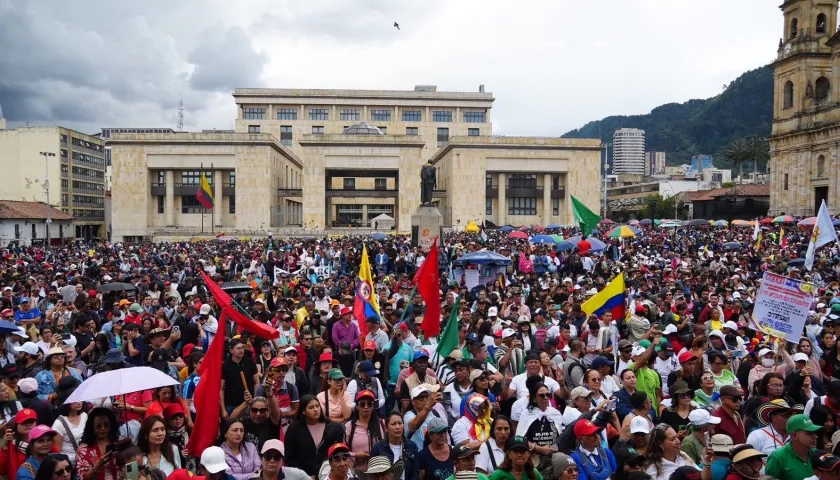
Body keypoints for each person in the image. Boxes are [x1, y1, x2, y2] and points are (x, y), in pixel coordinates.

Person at [285, 395, 345, 477]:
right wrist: (304, 476)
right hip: (302, 475)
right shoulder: (294, 429)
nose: (316, 410)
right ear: (303, 411)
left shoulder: (332, 427)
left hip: (327, 475)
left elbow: (339, 452)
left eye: (317, 406)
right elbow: (289, 457)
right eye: (311, 407)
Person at [515, 382, 564, 476]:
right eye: (542, 395)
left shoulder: (555, 413)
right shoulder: (526, 414)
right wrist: (538, 448)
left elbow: (561, 435)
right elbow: (519, 439)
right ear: (533, 398)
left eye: (548, 395)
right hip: (534, 459)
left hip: (554, 457)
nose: (546, 398)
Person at [765, 413, 822, 480]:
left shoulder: (816, 454)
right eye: (809, 433)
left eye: (814, 432)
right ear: (794, 435)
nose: (815, 436)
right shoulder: (778, 458)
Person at [371, 411, 420, 480]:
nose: (397, 427)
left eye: (400, 423)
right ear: (386, 428)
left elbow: (415, 473)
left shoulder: (412, 446)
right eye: (393, 424)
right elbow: (373, 476)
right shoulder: (377, 448)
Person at [345, 390, 385, 472]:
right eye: (362, 404)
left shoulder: (382, 424)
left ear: (373, 406)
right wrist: (356, 455)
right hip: (356, 473)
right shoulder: (349, 426)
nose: (366, 407)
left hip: (378, 472)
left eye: (369, 404)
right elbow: (343, 452)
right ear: (356, 406)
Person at [75, 407, 119, 480]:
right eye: (98, 426)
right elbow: (83, 477)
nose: (103, 428)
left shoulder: (119, 441)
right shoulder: (83, 450)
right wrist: (98, 466)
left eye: (106, 425)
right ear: (92, 427)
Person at [52, 398, 87, 466]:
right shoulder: (58, 423)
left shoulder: (84, 415)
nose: (79, 402)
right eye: (75, 400)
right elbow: (57, 450)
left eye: (81, 399)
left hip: (83, 459)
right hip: (69, 462)